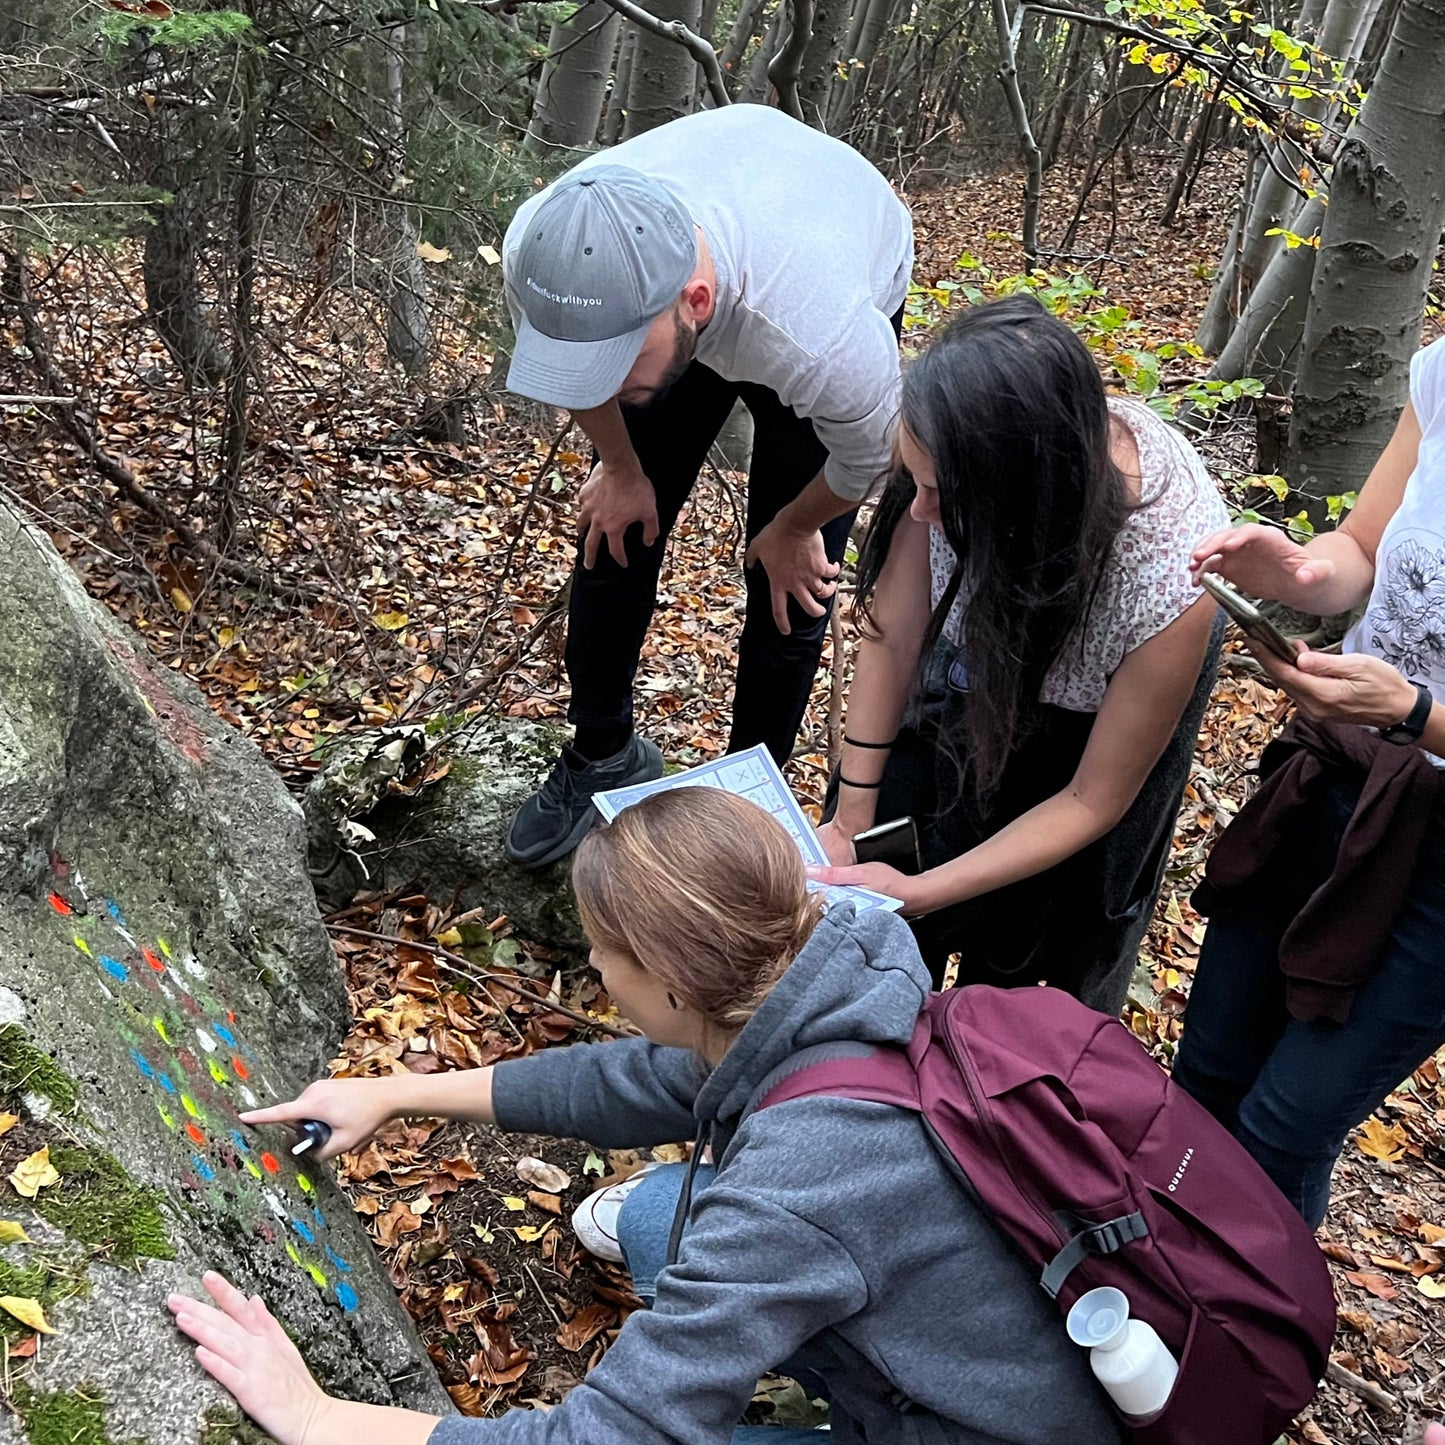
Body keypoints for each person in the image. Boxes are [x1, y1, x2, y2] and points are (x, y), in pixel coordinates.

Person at [168, 789, 1121, 1445]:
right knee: (664, 1219)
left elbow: (610, 1436)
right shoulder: (834, 977)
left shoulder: (801, 1189)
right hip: (1023, 1335)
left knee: (693, 1240)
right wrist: (393, 1091)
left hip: (999, 1425)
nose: (592, 972)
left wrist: (318, 1415)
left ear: (668, 982)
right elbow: (633, 1080)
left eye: (600, 957)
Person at [498, 104, 913, 870]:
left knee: (792, 586)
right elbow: (576, 365)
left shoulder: (824, 338)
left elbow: (864, 460)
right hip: (718, 242)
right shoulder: (545, 246)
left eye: (618, 358)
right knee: (614, 527)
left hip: (822, 253)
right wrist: (621, 470)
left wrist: (792, 528)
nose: (599, 381)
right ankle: (601, 752)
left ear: (692, 304)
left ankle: (740, 803)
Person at [810, 297, 1228, 1010]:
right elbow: (897, 634)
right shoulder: (943, 442)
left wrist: (917, 892)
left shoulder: (1169, 574)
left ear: (1022, 494)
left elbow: (1090, 799)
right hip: (973, 664)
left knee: (1030, 958)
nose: (919, 512)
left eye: (940, 493)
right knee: (893, 844)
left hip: (1087, 734)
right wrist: (852, 816)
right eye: (916, 481)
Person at [1169, 335, 1445, 1229]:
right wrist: (1299, 569)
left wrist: (1415, 713)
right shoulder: (1440, 372)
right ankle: (1162, 1312)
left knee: (1284, 1127)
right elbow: (1361, 544)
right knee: (1206, 1071)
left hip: (1434, 851)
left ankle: (1251, 1351)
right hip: (1335, 777)